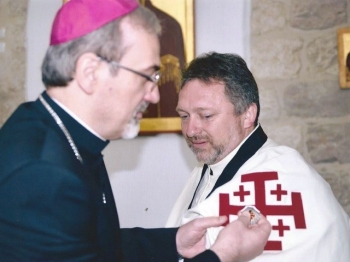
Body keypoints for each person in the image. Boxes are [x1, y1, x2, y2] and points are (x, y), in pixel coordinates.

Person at [0, 1, 271, 261]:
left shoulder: (56, 132)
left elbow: (90, 244)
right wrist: (223, 255)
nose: (154, 95)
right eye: (146, 76)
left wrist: (174, 241)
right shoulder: (43, 175)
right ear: (90, 72)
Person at [166, 52, 350, 261]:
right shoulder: (208, 166)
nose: (190, 130)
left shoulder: (285, 178)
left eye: (206, 116)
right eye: (184, 116)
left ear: (247, 115)